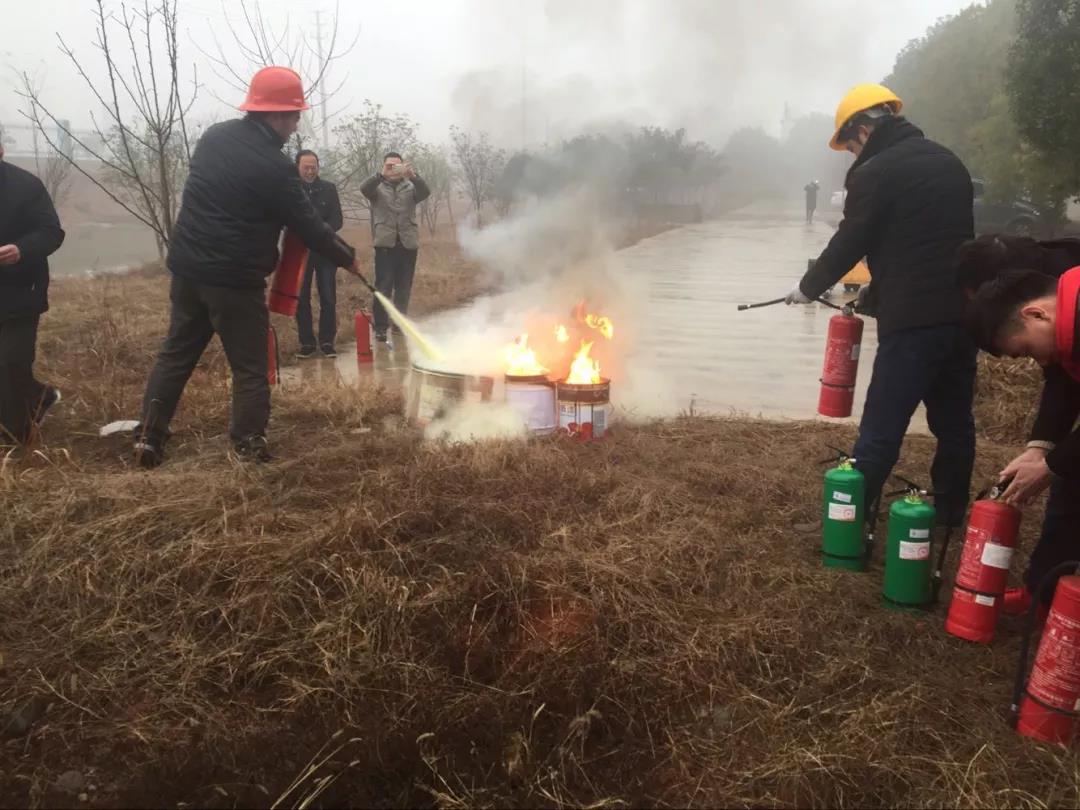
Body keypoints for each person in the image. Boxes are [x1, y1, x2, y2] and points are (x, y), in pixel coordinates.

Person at [133, 67, 360, 468]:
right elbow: (309, 226)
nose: (296, 124)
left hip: (187, 270)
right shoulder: (275, 168)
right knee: (250, 368)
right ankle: (248, 446)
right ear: (274, 115)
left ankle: (150, 437)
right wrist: (347, 256)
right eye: (294, 115)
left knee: (175, 356)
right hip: (234, 280)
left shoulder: (214, 137)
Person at [785, 84, 977, 540]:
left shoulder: (874, 171)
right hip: (963, 317)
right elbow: (929, 242)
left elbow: (853, 239)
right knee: (954, 424)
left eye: (850, 145)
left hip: (912, 323)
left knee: (881, 425)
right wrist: (879, 287)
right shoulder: (949, 162)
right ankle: (950, 517)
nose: (851, 155)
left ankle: (847, 526)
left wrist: (808, 287)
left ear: (865, 130)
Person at [965, 266, 1080, 611]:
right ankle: (1044, 595)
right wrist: (1040, 449)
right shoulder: (1067, 317)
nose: (1039, 361)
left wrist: (1051, 466)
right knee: (1071, 478)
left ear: (1036, 314)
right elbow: (1066, 379)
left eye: (1028, 351)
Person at [0, 129, 66, 445]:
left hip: (20, 289)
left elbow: (52, 232)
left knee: (12, 361)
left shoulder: (26, 187)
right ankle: (39, 398)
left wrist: (20, 250)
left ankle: (15, 439)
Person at [360, 152, 431, 343]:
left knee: (403, 287)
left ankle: (399, 325)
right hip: (385, 244)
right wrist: (381, 175)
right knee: (383, 287)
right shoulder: (378, 187)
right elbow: (364, 189)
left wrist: (413, 176)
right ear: (383, 167)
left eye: (397, 166)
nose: (393, 169)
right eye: (389, 166)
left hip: (408, 244)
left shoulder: (410, 186)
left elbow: (425, 192)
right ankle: (381, 327)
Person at [293, 149, 344, 359]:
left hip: (324, 250)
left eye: (313, 167)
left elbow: (337, 219)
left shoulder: (329, 189)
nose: (310, 171)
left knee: (328, 297)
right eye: (306, 167)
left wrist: (322, 233)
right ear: (297, 167)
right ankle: (306, 343)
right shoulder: (290, 189)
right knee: (301, 298)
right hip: (298, 251)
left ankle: (326, 341)